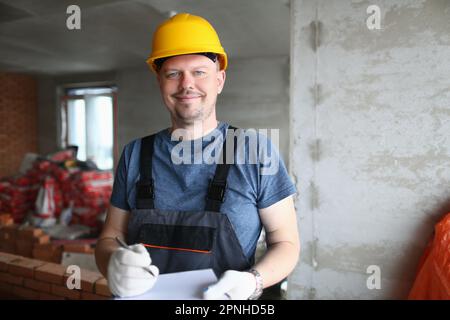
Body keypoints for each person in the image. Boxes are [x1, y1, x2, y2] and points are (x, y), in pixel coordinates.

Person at [95, 12, 300, 300]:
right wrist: (112, 262)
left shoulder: (255, 150)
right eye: (173, 73)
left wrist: (253, 281)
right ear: (160, 82)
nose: (186, 84)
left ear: (220, 80)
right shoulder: (135, 154)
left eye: (199, 72)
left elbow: (286, 242)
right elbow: (109, 238)